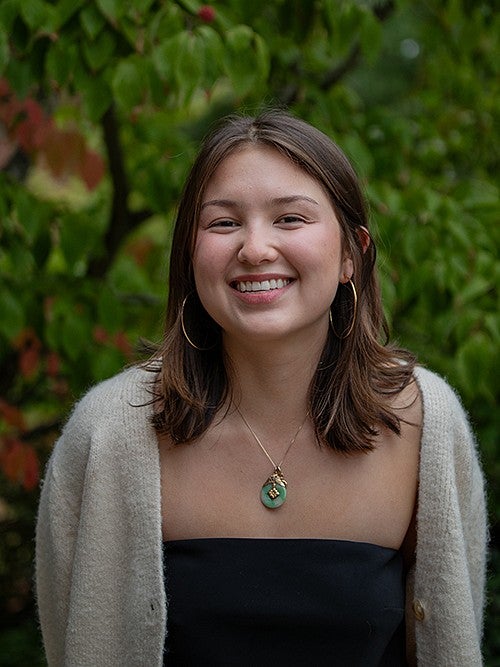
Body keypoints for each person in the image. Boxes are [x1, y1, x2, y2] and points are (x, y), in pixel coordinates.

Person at [36, 110, 487, 666]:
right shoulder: (108, 432)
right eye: (223, 223)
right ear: (190, 254)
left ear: (352, 252)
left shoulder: (428, 425)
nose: (254, 248)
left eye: (290, 219)